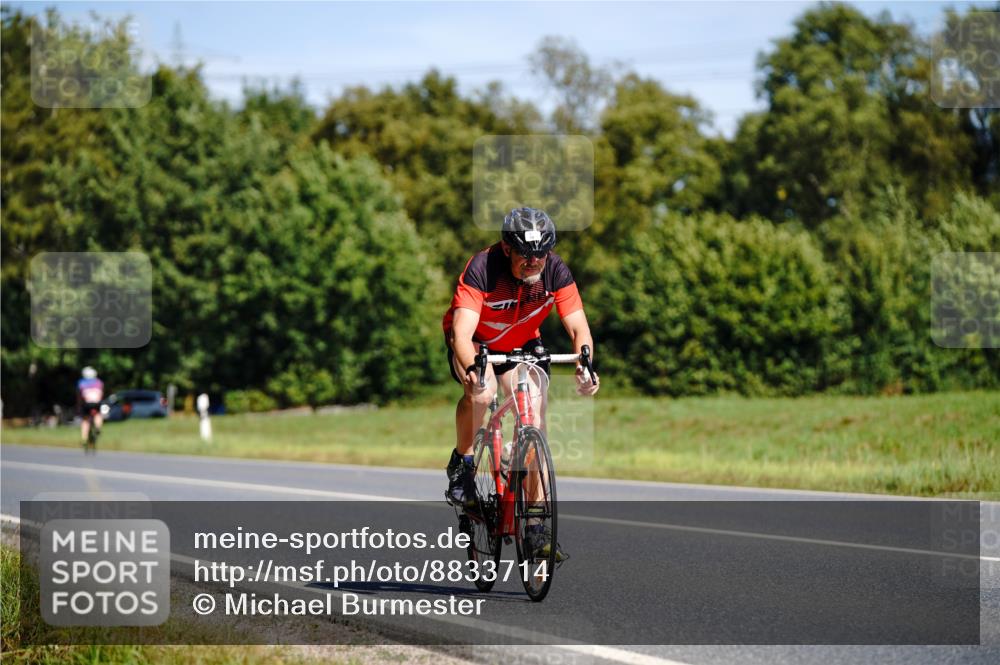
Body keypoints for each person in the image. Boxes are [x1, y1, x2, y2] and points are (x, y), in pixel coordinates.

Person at [441, 207, 599, 559]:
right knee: (483, 392)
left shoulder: (555, 271)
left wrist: (585, 365)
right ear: (507, 248)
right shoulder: (483, 268)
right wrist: (473, 369)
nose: (534, 261)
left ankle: (536, 527)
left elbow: (578, 328)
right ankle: (462, 464)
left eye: (541, 253)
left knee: (535, 419)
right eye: (526, 254)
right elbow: (461, 334)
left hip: (522, 345)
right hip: (477, 344)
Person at [77, 366, 104, 445]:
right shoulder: (99, 382)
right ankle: (98, 428)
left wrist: (79, 406)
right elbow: (101, 394)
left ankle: (84, 440)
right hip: (97, 403)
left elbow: (79, 396)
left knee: (85, 420)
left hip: (86, 404)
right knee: (98, 415)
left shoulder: (81, 382)